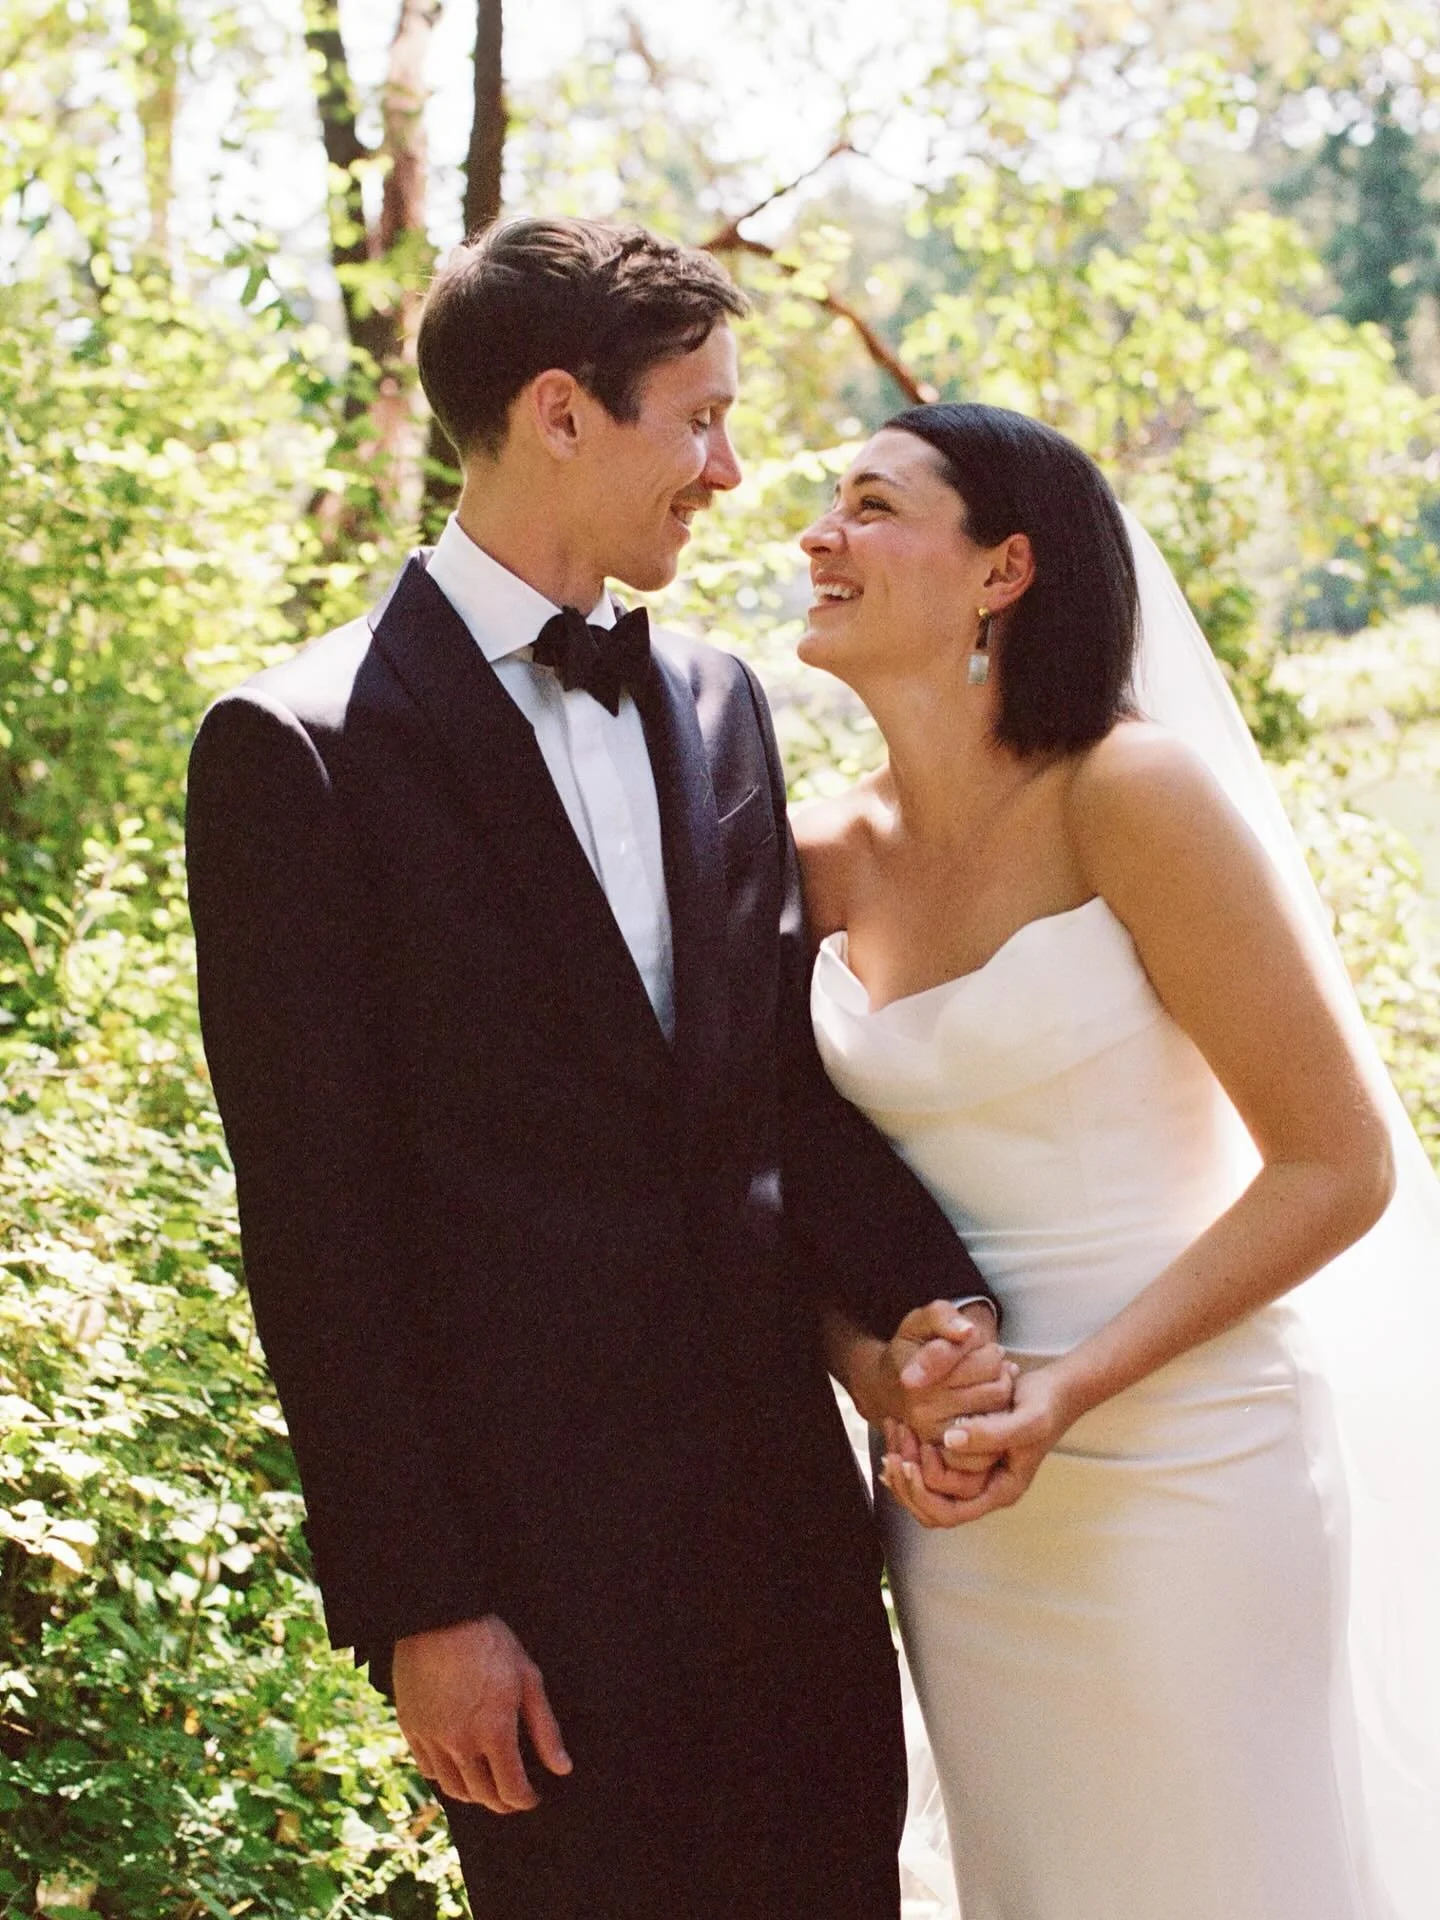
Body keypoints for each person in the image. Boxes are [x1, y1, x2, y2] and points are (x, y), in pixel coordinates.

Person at [185, 220, 1014, 1920]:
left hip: (794, 1566)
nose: (726, 472)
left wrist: (935, 1303)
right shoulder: (296, 753)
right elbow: (316, 1224)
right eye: (695, 420)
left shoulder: (717, 701)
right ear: (561, 413)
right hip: (539, 1611)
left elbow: (773, 1095)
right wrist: (428, 1608)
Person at [794, 400, 1440, 1920]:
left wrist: (1068, 1387)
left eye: (874, 506)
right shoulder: (814, 853)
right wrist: (879, 1373)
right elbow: (764, 1188)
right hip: (964, 1515)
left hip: (1189, 1469)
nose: (818, 535)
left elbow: (1336, 1166)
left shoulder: (1126, 795)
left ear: (1004, 568)